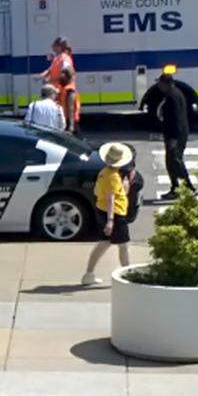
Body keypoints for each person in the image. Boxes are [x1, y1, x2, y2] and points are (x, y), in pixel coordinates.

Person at [81, 143, 134, 286]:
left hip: (103, 209)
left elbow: (101, 192)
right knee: (123, 246)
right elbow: (111, 198)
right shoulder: (113, 177)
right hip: (115, 214)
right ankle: (127, 275)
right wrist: (111, 221)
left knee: (104, 243)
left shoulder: (104, 172)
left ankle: (89, 273)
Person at [157, 67, 194, 199]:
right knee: (171, 162)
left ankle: (189, 187)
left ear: (165, 83)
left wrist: (173, 138)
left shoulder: (173, 97)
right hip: (177, 134)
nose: (159, 86)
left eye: (160, 84)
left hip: (176, 135)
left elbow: (176, 119)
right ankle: (176, 188)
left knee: (175, 162)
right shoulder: (175, 93)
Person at [59, 68, 81, 136]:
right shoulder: (70, 90)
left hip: (65, 118)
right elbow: (71, 108)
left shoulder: (65, 89)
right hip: (70, 120)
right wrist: (71, 126)